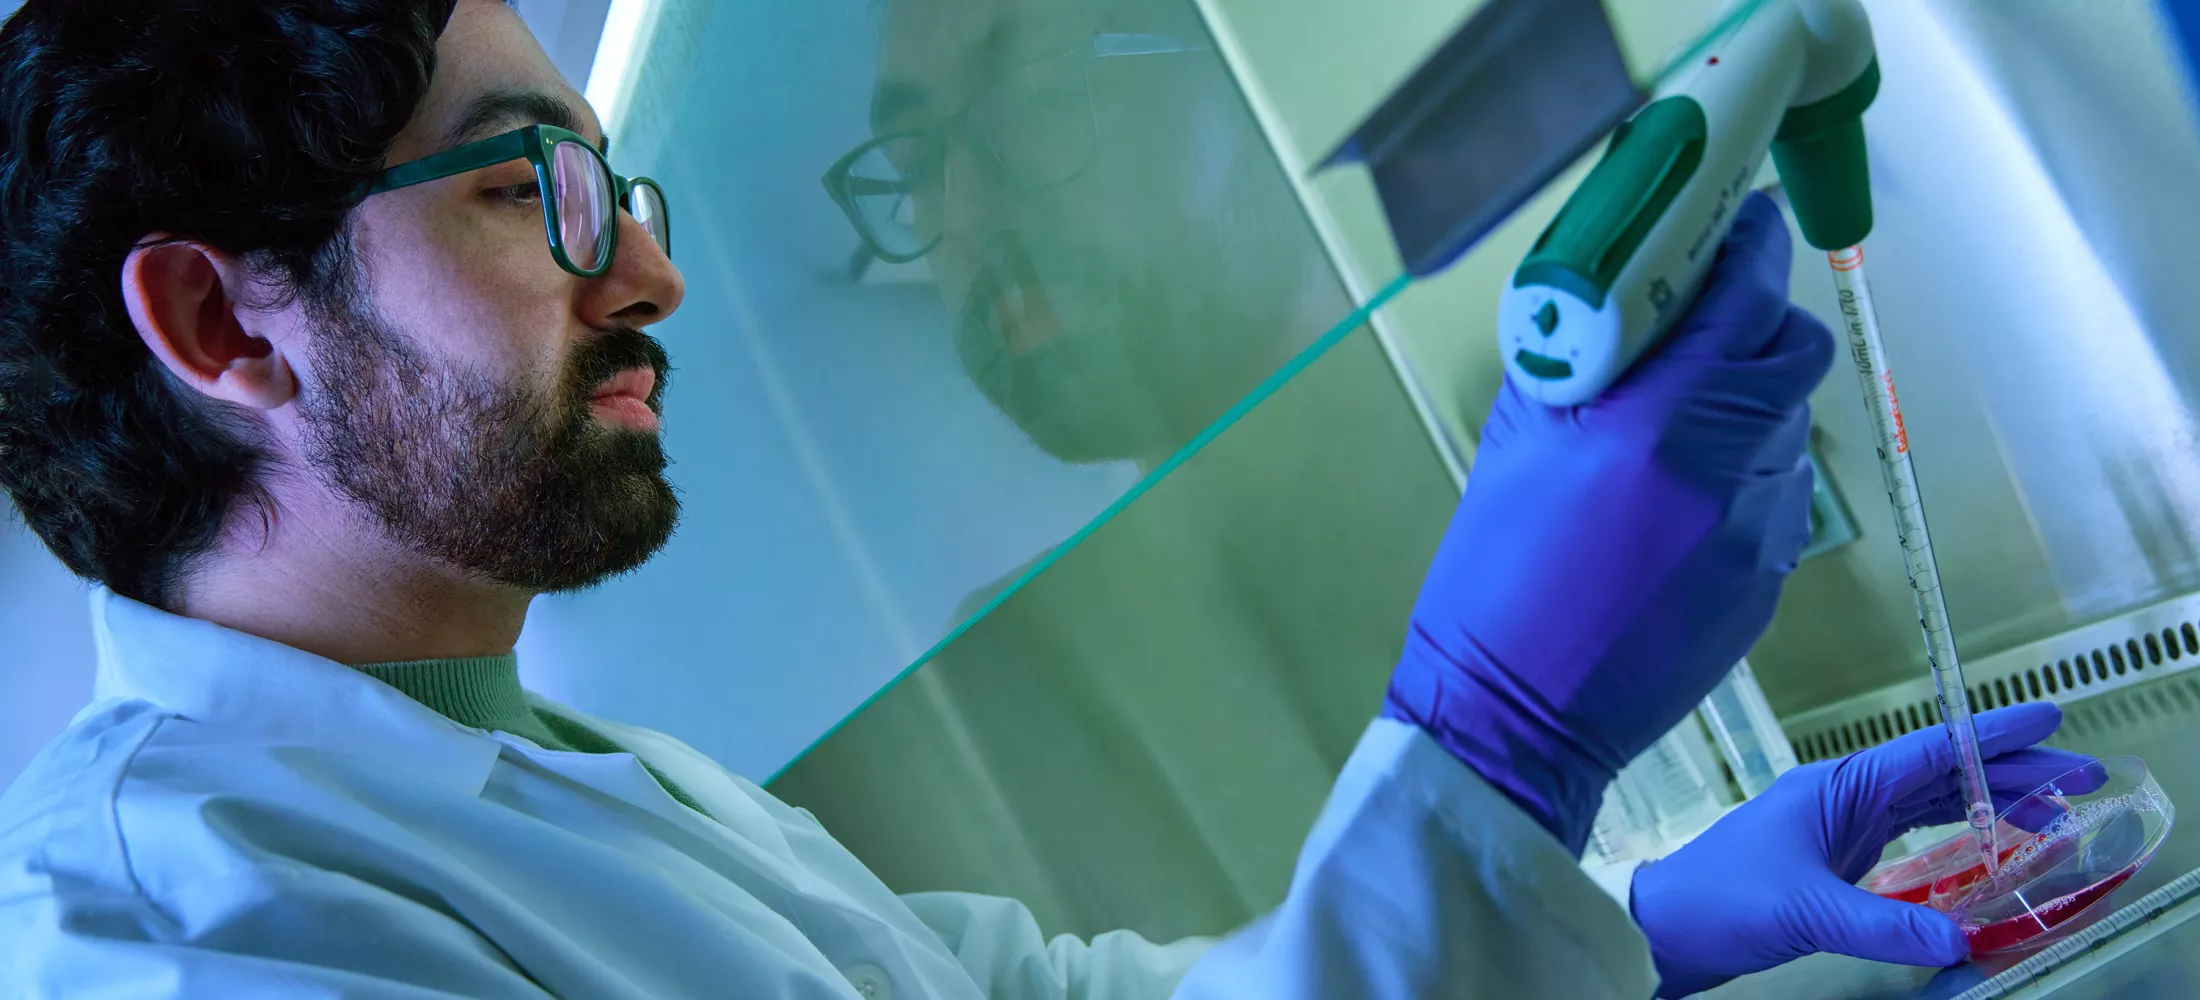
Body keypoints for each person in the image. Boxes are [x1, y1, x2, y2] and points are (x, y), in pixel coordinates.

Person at [0, 1, 2086, 997]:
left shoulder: (597, 780)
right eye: (530, 187)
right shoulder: (171, 941)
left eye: (610, 184)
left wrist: (1623, 918)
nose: (650, 268)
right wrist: (1482, 745)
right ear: (222, 321)